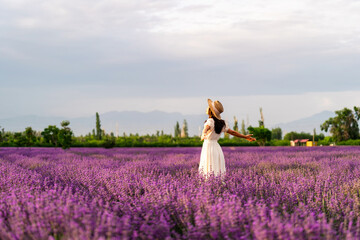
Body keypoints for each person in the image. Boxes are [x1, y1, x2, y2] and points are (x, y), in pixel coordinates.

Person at [199, 99, 256, 177]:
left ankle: (209, 184)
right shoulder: (222, 123)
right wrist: (245, 137)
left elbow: (205, 128)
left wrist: (203, 134)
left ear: (210, 111)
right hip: (216, 147)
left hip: (208, 146)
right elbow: (233, 132)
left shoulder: (210, 121)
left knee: (208, 166)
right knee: (216, 166)